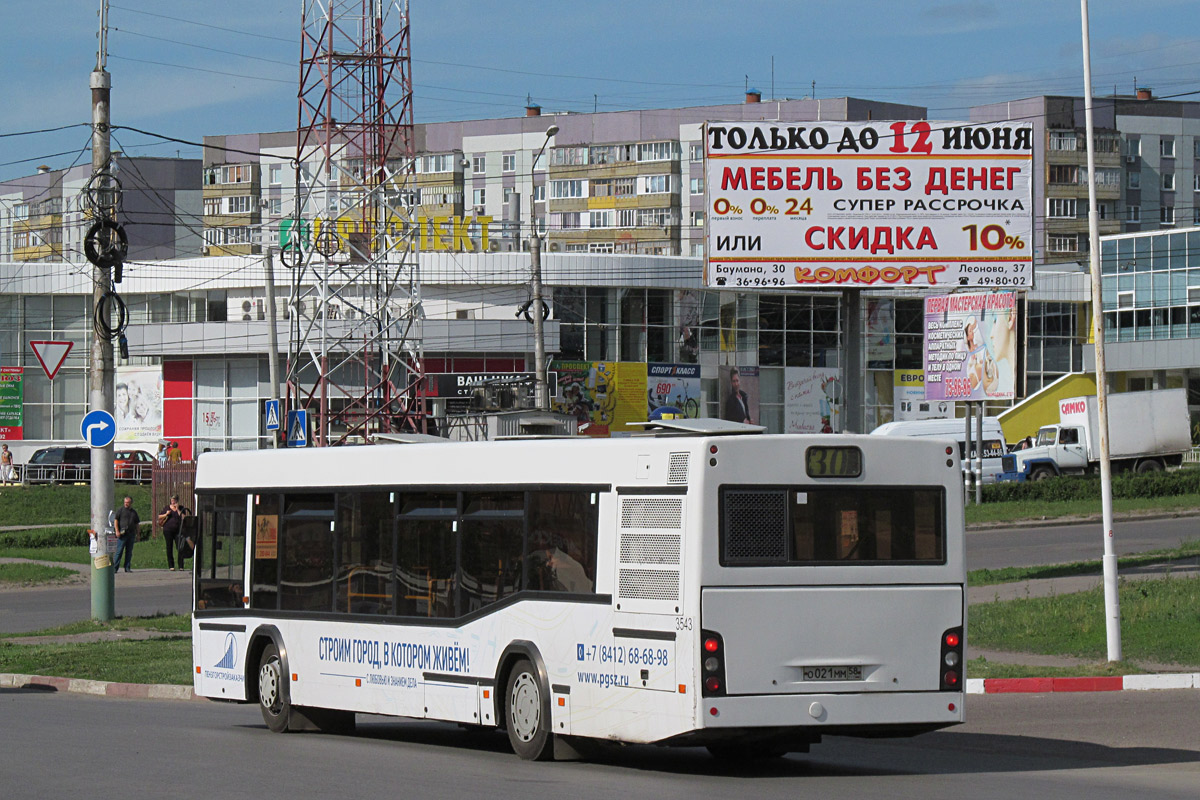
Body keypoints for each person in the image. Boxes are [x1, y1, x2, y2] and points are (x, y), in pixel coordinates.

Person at [156, 494, 190, 571]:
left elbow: (183, 517)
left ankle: (181, 565)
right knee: (169, 546)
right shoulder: (167, 508)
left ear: (177, 500)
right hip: (168, 530)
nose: (173, 501)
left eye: (174, 500)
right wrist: (166, 514)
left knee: (180, 547)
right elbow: (159, 516)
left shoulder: (181, 508)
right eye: (172, 500)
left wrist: (177, 509)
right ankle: (171, 565)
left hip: (178, 530)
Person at [112, 495, 141, 574]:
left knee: (129, 552)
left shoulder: (134, 512)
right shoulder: (120, 510)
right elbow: (116, 520)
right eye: (125, 502)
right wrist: (117, 530)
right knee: (119, 551)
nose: (126, 504)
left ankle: (127, 567)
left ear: (131, 503)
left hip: (131, 534)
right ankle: (115, 568)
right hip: (122, 534)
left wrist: (138, 534)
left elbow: (137, 524)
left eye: (127, 502)